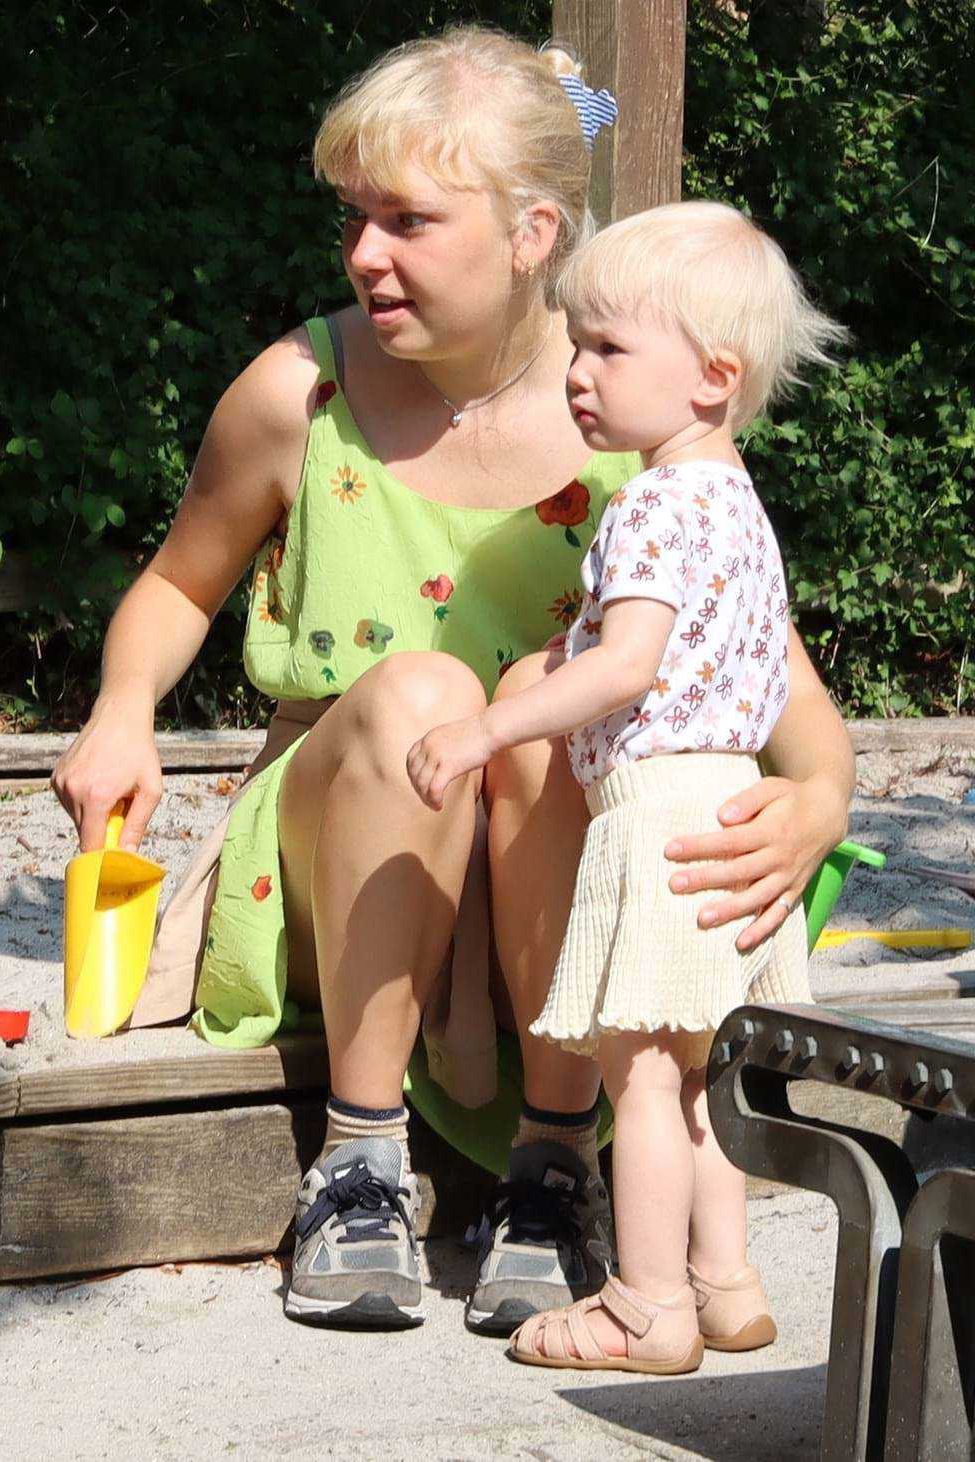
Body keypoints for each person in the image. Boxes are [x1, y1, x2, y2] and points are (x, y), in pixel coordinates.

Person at [50, 25, 855, 1333]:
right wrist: (122, 709)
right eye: (355, 218)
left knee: (545, 694)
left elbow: (784, 689)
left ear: (534, 233)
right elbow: (178, 585)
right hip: (348, 841)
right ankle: (358, 1159)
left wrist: (817, 799)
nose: (365, 253)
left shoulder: (638, 414)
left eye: (410, 220)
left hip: (552, 867)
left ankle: (555, 1161)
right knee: (426, 695)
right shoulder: (299, 392)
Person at [407, 200, 844, 1371]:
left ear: (713, 376)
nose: (578, 372)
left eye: (607, 347)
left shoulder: (650, 503)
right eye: (577, 344)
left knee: (639, 1071)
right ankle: (726, 1283)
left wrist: (486, 727)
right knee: (700, 1072)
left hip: (655, 816)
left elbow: (626, 666)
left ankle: (645, 1306)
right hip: (733, 805)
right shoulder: (740, 506)